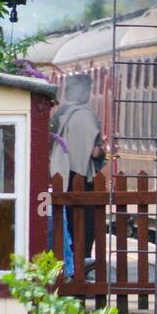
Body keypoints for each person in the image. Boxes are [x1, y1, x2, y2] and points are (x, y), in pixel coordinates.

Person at [50, 74, 106, 266]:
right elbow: (93, 152)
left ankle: (66, 265)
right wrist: (102, 150)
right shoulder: (86, 115)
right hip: (80, 178)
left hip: (60, 177)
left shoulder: (59, 114)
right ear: (86, 92)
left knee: (63, 226)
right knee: (84, 227)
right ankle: (79, 266)